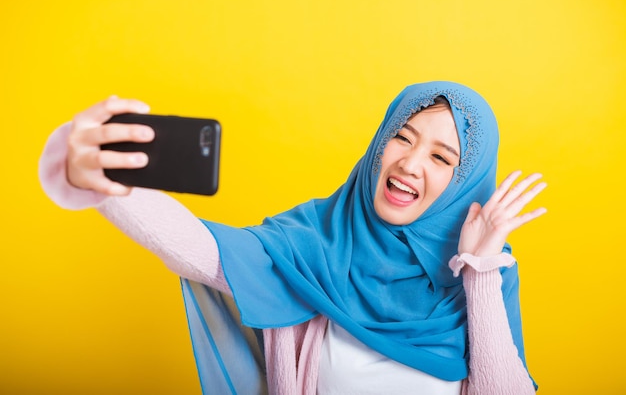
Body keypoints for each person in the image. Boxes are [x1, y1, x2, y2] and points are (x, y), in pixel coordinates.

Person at [39, 81, 546, 394]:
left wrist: (480, 272)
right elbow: (201, 251)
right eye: (402, 137)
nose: (410, 164)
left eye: (441, 158)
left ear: (465, 185)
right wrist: (97, 180)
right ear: (380, 142)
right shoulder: (314, 242)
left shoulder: (481, 275)